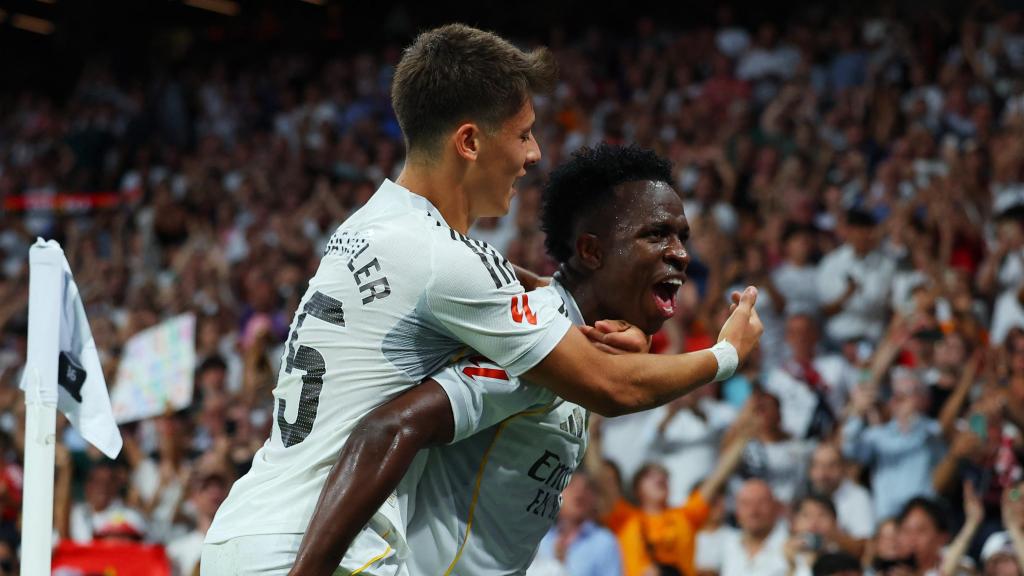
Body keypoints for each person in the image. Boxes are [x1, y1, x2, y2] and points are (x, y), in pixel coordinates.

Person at [179, 23, 757, 576]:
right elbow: (612, 388)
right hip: (323, 551)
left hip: (243, 531)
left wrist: (574, 312)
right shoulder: (449, 262)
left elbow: (481, 277)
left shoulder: (373, 226)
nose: (534, 155)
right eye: (524, 132)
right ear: (470, 141)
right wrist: (726, 354)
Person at [292, 144, 762, 575]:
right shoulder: (532, 340)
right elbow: (387, 429)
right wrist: (726, 355)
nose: (680, 253)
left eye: (682, 236)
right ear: (592, 251)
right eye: (657, 234)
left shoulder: (560, 331)